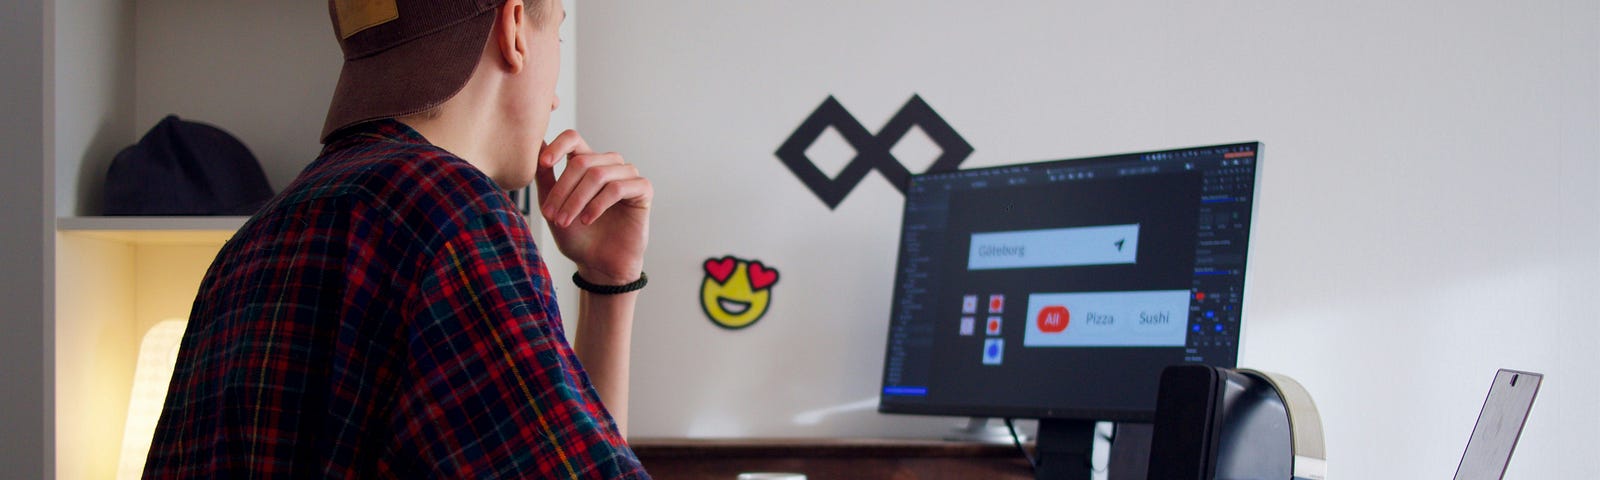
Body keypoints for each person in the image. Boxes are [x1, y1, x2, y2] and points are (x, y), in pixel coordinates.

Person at [143, 0, 652, 477]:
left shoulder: (253, 243)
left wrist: (607, 283)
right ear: (514, 26)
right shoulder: (452, 219)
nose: (556, 96)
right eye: (556, 30)